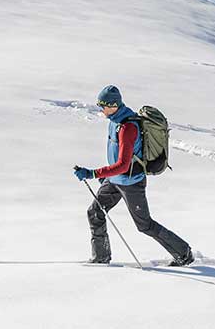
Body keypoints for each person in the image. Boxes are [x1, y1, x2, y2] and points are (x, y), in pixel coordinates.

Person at [73, 85, 194, 266]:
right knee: (95, 212)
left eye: (103, 106)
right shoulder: (114, 121)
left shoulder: (128, 127)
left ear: (113, 105)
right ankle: (101, 258)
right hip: (114, 180)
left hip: (132, 183)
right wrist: (106, 176)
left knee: (144, 225)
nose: (101, 110)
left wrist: (93, 173)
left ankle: (184, 253)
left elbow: (123, 165)